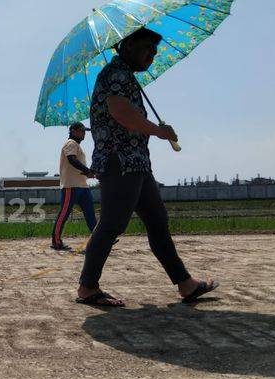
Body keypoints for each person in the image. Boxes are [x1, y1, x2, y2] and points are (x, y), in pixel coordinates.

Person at [76, 27, 218, 306]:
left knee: (157, 222)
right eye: (147, 50)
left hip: (136, 164)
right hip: (120, 162)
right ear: (127, 45)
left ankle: (185, 284)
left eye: (154, 52)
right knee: (112, 224)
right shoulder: (115, 75)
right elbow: (121, 113)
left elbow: (127, 115)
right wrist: (158, 131)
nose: (151, 57)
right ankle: (87, 288)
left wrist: (154, 130)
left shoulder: (125, 76)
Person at [51, 122, 97, 251]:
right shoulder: (70, 143)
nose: (84, 134)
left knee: (90, 214)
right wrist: (87, 170)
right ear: (73, 131)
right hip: (71, 185)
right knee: (64, 214)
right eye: (82, 131)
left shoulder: (77, 146)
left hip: (82, 185)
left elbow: (78, 165)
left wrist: (89, 173)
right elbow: (72, 160)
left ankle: (100, 239)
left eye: (84, 131)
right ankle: (56, 241)